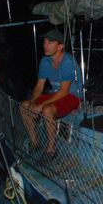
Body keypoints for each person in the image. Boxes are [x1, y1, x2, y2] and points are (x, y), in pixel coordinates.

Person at [20, 29, 81, 162]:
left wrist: (40, 106)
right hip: (56, 93)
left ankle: (51, 150)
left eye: (50, 42)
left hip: (73, 96)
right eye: (45, 42)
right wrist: (32, 103)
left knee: (47, 109)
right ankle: (35, 143)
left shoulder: (67, 63)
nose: (45, 45)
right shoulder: (45, 61)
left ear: (60, 46)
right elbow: (40, 85)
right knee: (24, 106)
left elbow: (64, 92)